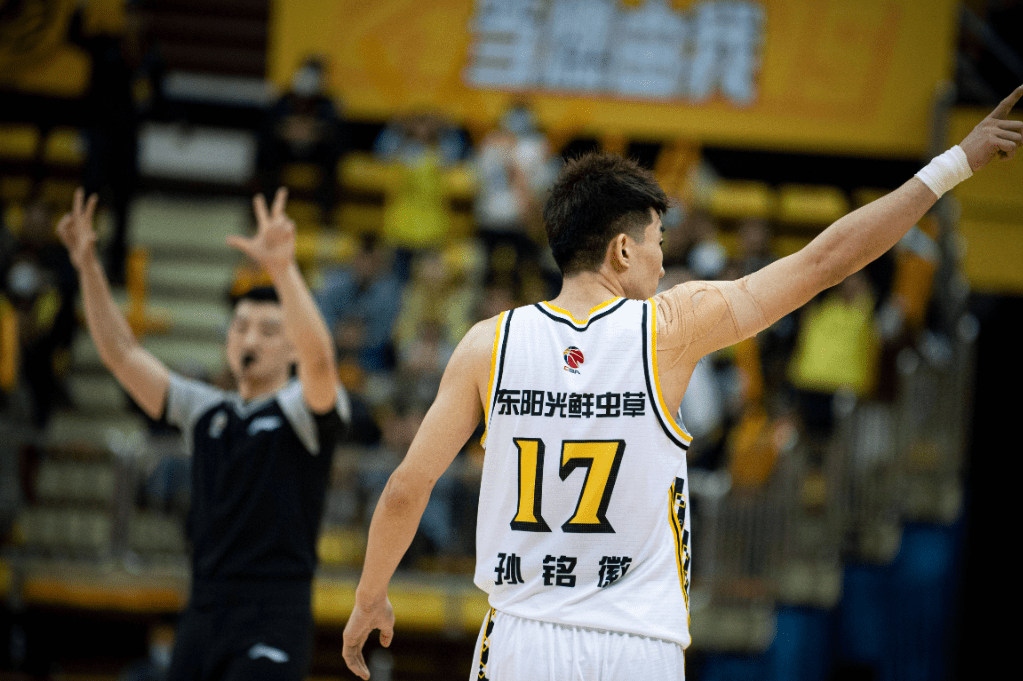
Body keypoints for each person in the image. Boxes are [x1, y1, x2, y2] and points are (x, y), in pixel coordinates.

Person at [341, 87, 1023, 680]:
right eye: (658, 242)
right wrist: (952, 164)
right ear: (622, 249)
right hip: (637, 644)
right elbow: (824, 262)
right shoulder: (670, 327)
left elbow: (405, 487)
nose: (663, 263)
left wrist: (370, 595)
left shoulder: (486, 344)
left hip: (522, 635)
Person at [57, 187, 351, 681]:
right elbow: (121, 354)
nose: (250, 338)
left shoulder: (303, 409)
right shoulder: (205, 410)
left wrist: (282, 269)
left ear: (292, 349)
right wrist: (87, 266)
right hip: (204, 608)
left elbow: (320, 360)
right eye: (240, 327)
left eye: (268, 330)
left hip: (274, 612)